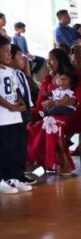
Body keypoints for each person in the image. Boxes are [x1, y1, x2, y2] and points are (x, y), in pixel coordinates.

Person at [0, 37, 32, 194]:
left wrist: (19, 102)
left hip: (14, 117)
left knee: (15, 148)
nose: (9, 55)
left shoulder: (10, 71)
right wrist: (11, 106)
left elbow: (14, 90)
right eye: (5, 52)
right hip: (2, 117)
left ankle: (14, 177)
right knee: (3, 149)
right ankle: (2, 179)